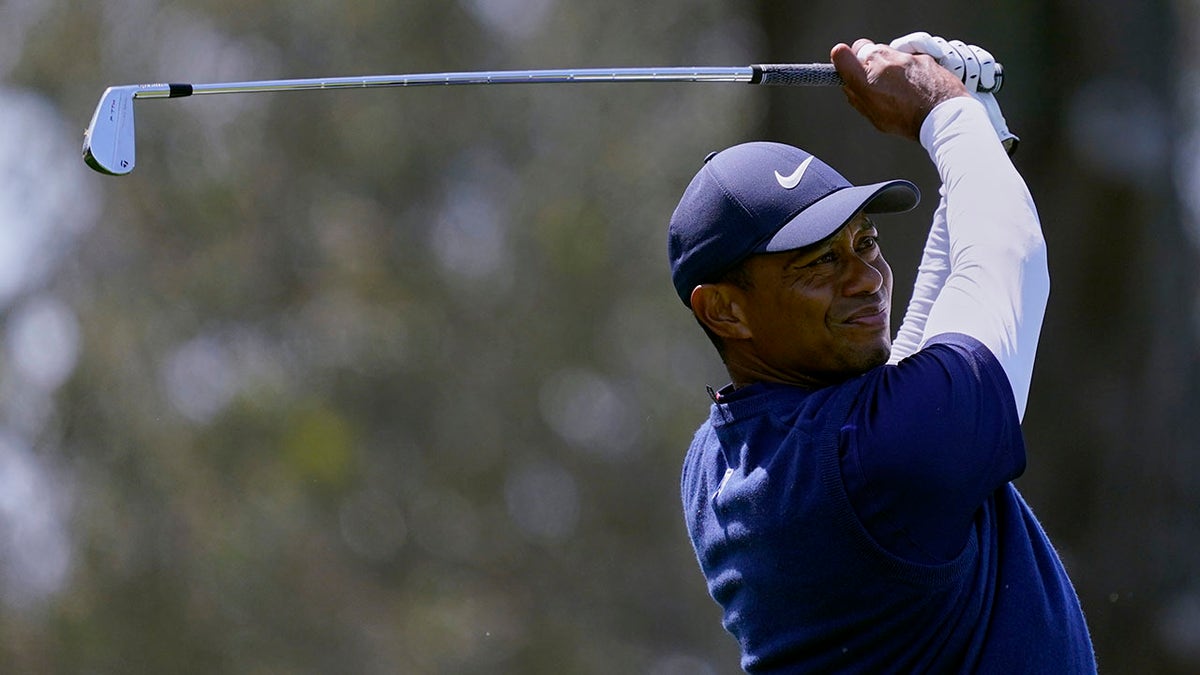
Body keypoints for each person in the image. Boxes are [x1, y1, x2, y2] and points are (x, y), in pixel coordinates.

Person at [668, 33, 1096, 673]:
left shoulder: (718, 459)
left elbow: (923, 360)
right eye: (819, 262)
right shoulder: (876, 461)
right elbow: (1013, 267)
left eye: (865, 242)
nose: (866, 278)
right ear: (724, 310)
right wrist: (943, 113)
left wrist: (974, 131)